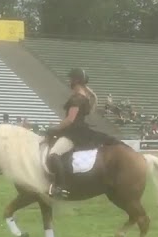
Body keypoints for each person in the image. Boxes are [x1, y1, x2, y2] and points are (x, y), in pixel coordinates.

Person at [44, 68, 115, 199]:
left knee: (54, 154)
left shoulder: (77, 98)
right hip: (81, 130)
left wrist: (54, 128)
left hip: (73, 133)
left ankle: (59, 187)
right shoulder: (85, 98)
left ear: (76, 81)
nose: (69, 82)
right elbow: (89, 110)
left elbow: (70, 119)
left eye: (71, 79)